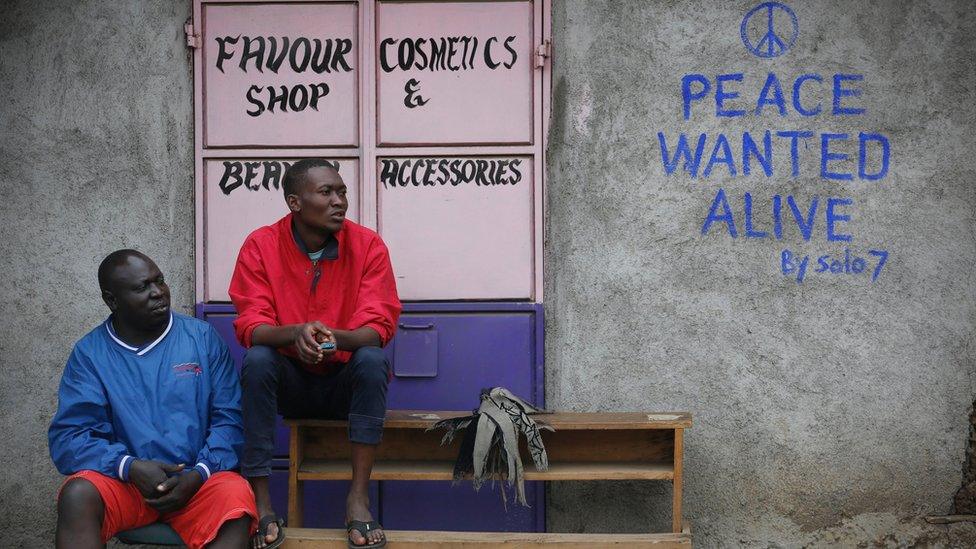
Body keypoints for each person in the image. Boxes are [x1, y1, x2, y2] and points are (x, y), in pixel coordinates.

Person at [230, 159, 401, 549]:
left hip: (344, 386)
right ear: (295, 202)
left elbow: (378, 327)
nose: (340, 201)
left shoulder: (368, 245)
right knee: (257, 359)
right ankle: (261, 500)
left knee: (373, 359)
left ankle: (357, 497)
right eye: (326, 192)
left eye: (341, 191)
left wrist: (332, 339)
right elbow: (250, 325)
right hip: (291, 382)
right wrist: (295, 334)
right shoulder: (261, 245)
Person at [48, 250, 257, 549]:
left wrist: (199, 474)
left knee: (236, 497)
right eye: (142, 287)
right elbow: (70, 437)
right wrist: (129, 467)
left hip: (198, 483)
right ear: (112, 300)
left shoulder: (201, 338)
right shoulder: (90, 354)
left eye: (160, 281)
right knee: (78, 494)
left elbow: (231, 421)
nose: (158, 292)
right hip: (128, 485)